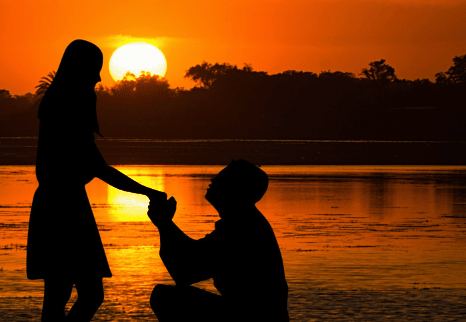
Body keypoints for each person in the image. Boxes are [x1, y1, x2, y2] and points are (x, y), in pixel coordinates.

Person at [27, 39, 166, 322]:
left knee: (62, 292)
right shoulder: (65, 106)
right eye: (95, 69)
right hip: (62, 206)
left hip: (63, 202)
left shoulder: (59, 103)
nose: (99, 78)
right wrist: (149, 192)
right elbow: (100, 169)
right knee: (77, 292)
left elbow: (92, 166)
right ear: (80, 70)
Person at [148, 159, 289, 322]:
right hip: (251, 313)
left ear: (236, 189)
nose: (213, 180)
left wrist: (164, 223)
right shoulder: (242, 222)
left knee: (165, 297)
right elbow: (191, 259)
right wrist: (165, 223)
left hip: (254, 317)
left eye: (222, 178)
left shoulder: (240, 228)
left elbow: (185, 271)